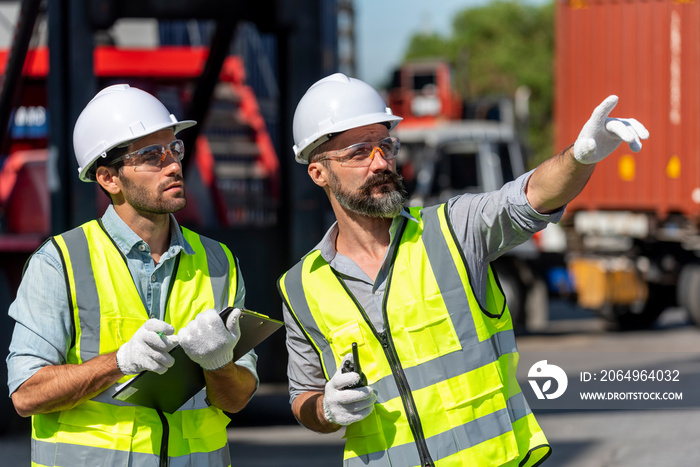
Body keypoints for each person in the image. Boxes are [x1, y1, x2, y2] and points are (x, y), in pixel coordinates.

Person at [278, 73, 648, 466]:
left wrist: (579, 157)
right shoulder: (301, 286)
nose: (381, 162)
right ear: (319, 173)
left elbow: (532, 196)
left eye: (385, 145)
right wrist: (327, 411)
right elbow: (303, 395)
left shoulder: (452, 230)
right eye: (358, 152)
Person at [6, 84, 258, 467]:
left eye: (174, 149)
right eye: (151, 156)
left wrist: (219, 363)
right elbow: (26, 395)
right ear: (109, 178)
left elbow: (237, 400)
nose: (173, 164)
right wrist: (119, 362)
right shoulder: (60, 261)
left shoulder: (218, 261)